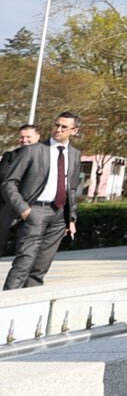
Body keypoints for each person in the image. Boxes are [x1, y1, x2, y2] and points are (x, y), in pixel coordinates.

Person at [2, 112, 84, 290]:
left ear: (74, 130)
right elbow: (9, 182)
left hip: (59, 215)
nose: (58, 129)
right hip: (35, 211)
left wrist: (71, 219)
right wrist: (23, 209)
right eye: (56, 125)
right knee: (24, 262)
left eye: (64, 127)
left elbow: (71, 188)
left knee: (41, 267)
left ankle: (30, 308)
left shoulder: (75, 154)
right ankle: (6, 307)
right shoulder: (33, 150)